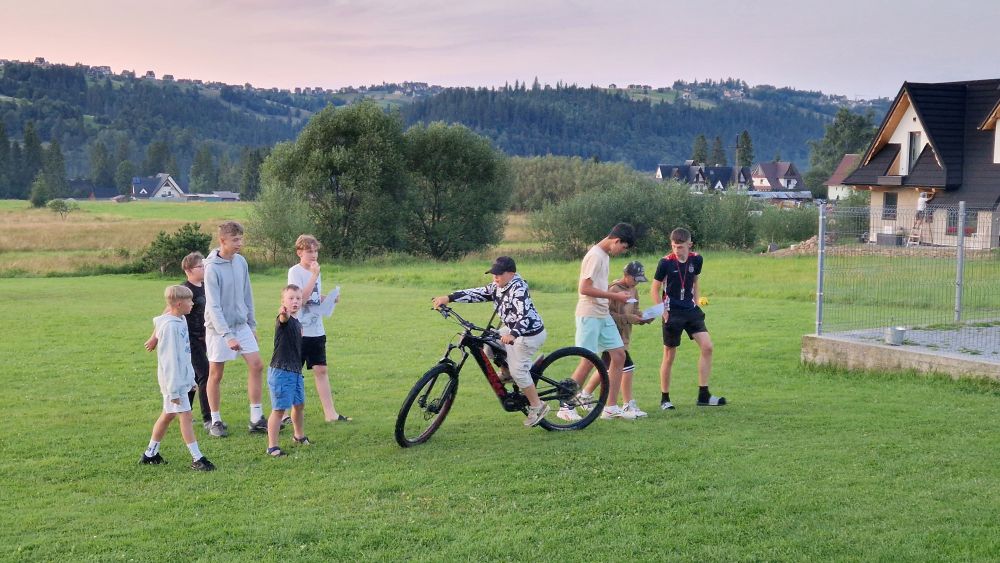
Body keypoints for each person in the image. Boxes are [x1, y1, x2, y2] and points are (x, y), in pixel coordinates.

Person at [432, 256, 551, 427]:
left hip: (528, 334)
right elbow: (477, 293)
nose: (495, 277)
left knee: (519, 371)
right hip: (512, 329)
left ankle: (537, 406)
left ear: (511, 274)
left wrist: (513, 334)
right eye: (494, 273)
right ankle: (506, 372)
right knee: (488, 342)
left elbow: (523, 316)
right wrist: (449, 298)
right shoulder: (498, 286)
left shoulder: (518, 289)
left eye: (499, 274)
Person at [559, 222, 637, 422]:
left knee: (618, 355)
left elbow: (597, 286)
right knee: (588, 360)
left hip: (603, 314)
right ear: (616, 240)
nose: (623, 252)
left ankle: (610, 407)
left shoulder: (604, 256)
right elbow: (584, 289)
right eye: (623, 247)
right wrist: (615, 296)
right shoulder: (595, 256)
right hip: (590, 314)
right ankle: (565, 405)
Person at [139, 285, 215, 471]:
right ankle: (197, 458)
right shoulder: (170, 328)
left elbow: (184, 355)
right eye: (189, 301)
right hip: (173, 382)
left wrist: (190, 380)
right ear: (179, 304)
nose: (193, 304)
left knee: (168, 415)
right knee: (186, 417)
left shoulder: (180, 319)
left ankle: (150, 454)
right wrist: (174, 391)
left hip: (180, 380)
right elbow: (171, 361)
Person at [650, 227, 725, 410]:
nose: (677, 250)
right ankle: (665, 399)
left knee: (707, 347)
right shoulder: (665, 263)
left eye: (681, 247)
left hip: (691, 311)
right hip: (672, 312)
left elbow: (695, 281)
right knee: (669, 355)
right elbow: (654, 289)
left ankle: (703, 396)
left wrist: (697, 303)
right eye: (674, 246)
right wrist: (663, 312)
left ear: (689, 244)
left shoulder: (697, 259)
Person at [203, 221, 265, 437]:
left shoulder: (241, 262)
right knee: (216, 373)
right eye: (235, 240)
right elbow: (213, 306)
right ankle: (216, 421)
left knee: (257, 365)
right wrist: (227, 336)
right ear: (223, 241)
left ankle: (256, 418)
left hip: (241, 325)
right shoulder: (211, 268)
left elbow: (247, 295)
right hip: (218, 330)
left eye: (241, 239)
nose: (240, 243)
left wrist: (251, 325)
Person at [287, 235, 350, 423]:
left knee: (321, 370)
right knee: (292, 372)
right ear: (299, 252)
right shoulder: (295, 272)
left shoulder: (316, 271)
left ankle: (330, 414)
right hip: (299, 330)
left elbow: (313, 297)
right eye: (309, 251)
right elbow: (300, 299)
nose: (314, 255)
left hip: (316, 329)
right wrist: (314, 276)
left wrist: (328, 298)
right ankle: (282, 414)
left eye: (315, 251)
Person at [145, 252, 211, 431]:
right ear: (188, 270)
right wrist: (154, 337)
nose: (204, 269)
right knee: (205, 374)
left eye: (204, 266)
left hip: (204, 338)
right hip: (189, 340)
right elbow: (166, 314)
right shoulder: (183, 291)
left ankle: (183, 411)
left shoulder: (205, 286)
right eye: (200, 266)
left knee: (193, 376)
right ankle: (208, 418)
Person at [604, 260, 654, 418]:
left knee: (604, 369)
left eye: (639, 280)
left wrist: (644, 317)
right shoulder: (613, 290)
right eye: (634, 279)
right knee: (627, 366)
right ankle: (626, 404)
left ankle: (585, 394)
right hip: (612, 335)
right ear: (626, 275)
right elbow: (606, 314)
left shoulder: (634, 290)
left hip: (624, 335)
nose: (636, 283)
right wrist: (627, 318)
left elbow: (635, 310)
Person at [265, 285, 311, 456]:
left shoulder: (298, 323)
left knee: (299, 405)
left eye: (298, 298)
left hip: (295, 372)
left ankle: (298, 436)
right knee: (279, 410)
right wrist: (283, 313)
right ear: (283, 301)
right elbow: (283, 318)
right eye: (291, 298)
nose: (295, 301)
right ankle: (272, 447)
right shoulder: (283, 319)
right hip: (281, 371)